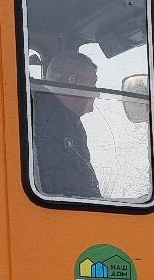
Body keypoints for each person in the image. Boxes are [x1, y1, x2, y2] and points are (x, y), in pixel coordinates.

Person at [31, 49, 101, 199]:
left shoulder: (67, 121)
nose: (97, 93)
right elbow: (60, 184)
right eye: (93, 84)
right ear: (74, 82)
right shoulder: (43, 118)